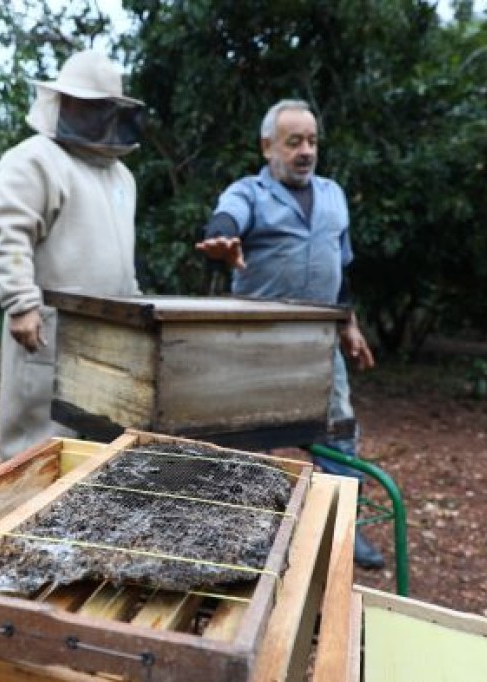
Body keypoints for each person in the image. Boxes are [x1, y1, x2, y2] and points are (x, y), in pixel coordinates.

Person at [195, 99, 385, 569]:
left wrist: (349, 324)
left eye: (312, 141)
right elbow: (227, 216)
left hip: (320, 344)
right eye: (294, 141)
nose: (306, 151)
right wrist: (223, 237)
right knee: (247, 438)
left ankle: (341, 529)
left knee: (339, 434)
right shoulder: (249, 192)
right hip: (257, 346)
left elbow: (340, 269)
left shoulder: (333, 194)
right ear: (268, 147)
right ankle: (241, 535)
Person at [0, 50, 145, 460]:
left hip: (109, 334)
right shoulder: (32, 160)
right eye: (84, 104)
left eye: (101, 107)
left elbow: (121, 256)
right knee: (38, 448)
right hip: (48, 332)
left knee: (100, 449)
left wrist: (135, 312)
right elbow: (11, 234)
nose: (93, 114)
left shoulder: (121, 176)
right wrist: (22, 303)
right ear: (62, 102)